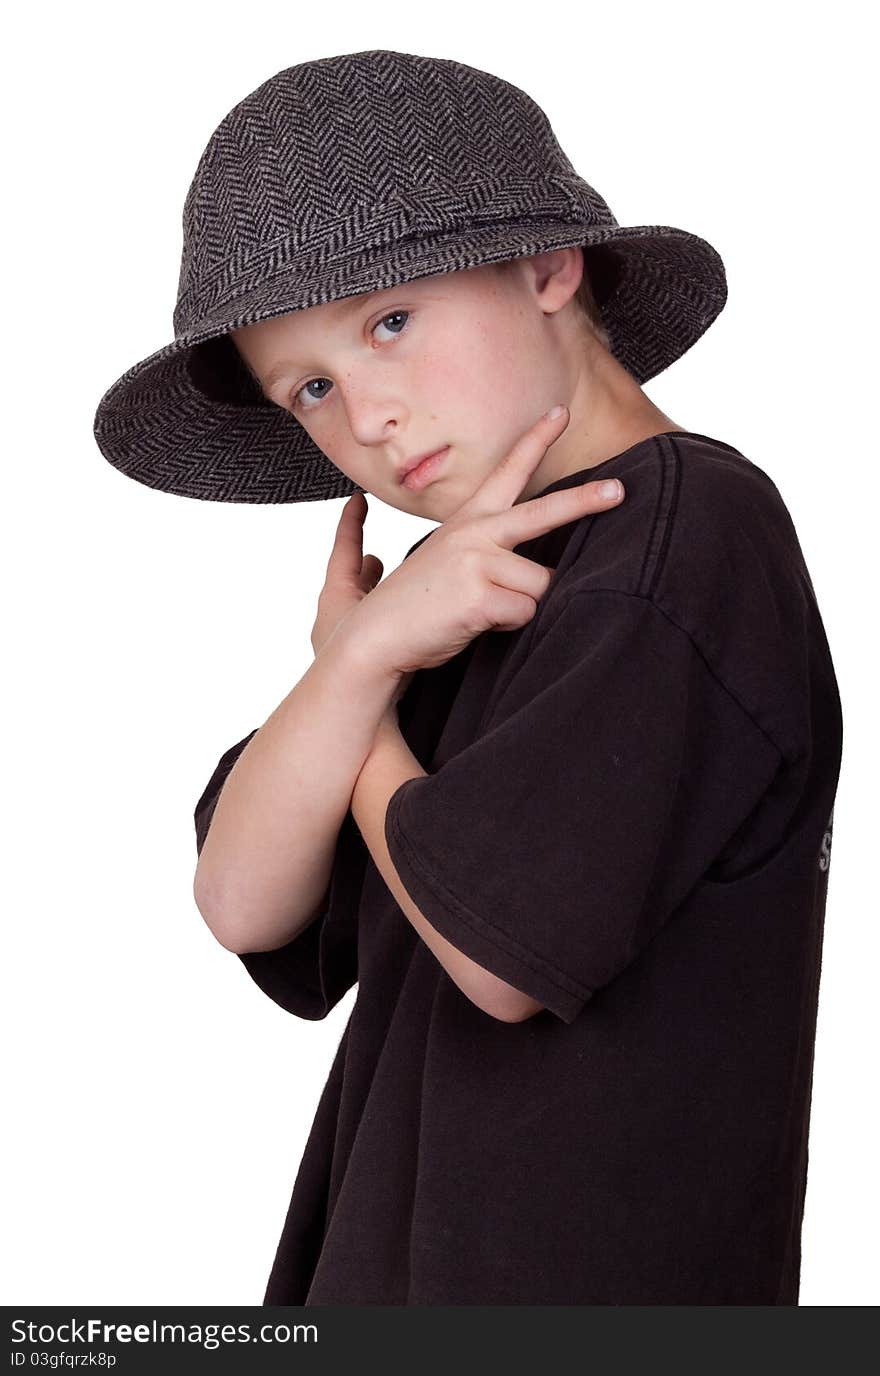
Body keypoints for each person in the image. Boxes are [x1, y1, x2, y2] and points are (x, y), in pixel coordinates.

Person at [93, 50, 843, 1305]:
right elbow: (240, 898)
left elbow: (502, 951)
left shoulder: (690, 539)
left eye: (391, 322)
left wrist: (365, 675)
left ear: (549, 268)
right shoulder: (458, 589)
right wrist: (362, 662)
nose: (368, 413)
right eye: (314, 388)